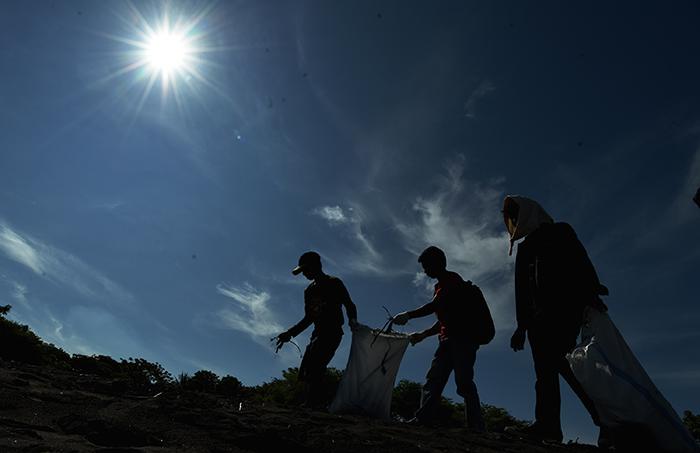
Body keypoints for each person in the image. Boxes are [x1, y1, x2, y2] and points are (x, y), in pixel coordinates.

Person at [502, 195, 610, 446]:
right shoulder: (525, 247)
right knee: (546, 373)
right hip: (537, 320)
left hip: (562, 311)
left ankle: (606, 421)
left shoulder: (559, 231)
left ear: (528, 212)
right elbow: (522, 291)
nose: (514, 220)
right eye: (510, 216)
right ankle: (550, 426)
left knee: (566, 367)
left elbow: (580, 262)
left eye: (515, 214)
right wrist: (521, 326)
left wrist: (591, 294)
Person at [392, 246, 494, 432]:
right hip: (446, 340)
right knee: (433, 380)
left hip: (463, 339)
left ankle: (476, 427)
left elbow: (435, 306)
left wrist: (408, 315)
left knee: (464, 384)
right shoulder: (440, 286)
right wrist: (423, 334)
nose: (425, 271)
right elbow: (443, 320)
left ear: (437, 263)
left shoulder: (452, 280)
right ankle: (422, 419)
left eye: (426, 266)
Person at [275, 251, 358, 408]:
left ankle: (319, 403)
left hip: (332, 332)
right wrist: (290, 333)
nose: (304, 274)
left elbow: (349, 304)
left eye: (305, 270)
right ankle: (328, 403)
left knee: (314, 370)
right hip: (317, 334)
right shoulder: (309, 291)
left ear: (315, 266)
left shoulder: (334, 283)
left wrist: (353, 321)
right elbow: (309, 318)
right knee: (306, 374)